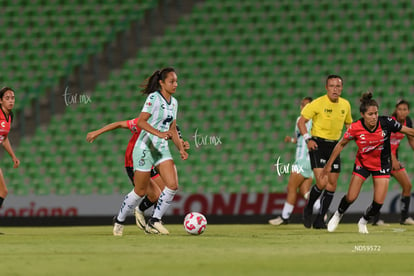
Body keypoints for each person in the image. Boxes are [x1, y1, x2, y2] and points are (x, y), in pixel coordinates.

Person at [112, 67, 188, 236]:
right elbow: (141, 122)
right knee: (139, 191)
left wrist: (181, 148)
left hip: (160, 149)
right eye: (172, 81)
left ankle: (155, 220)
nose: (176, 84)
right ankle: (119, 220)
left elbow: (173, 129)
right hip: (145, 147)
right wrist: (159, 133)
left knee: (173, 185)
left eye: (176, 81)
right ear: (162, 83)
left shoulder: (174, 103)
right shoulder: (153, 98)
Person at [326, 92, 414, 234]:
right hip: (363, 164)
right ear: (363, 114)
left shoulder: (386, 122)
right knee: (351, 197)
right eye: (370, 114)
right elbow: (341, 144)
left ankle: (363, 221)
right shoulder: (355, 127)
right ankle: (338, 214)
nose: (374, 117)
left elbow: (408, 131)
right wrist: (329, 163)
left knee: (378, 203)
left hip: (382, 165)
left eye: (376, 113)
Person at [86, 119, 189, 231]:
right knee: (149, 194)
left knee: (164, 191)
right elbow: (119, 124)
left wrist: (181, 143)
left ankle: (153, 222)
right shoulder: (142, 122)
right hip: (134, 162)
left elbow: (174, 131)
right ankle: (124, 218)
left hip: (151, 160)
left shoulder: (166, 121)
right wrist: (97, 132)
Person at [298, 75, 353, 229]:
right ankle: (308, 208)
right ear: (326, 88)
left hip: (335, 146)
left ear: (341, 88)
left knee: (332, 185)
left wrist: (355, 138)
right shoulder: (318, 103)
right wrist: (308, 139)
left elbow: (349, 124)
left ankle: (319, 219)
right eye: (332, 86)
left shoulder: (345, 105)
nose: (335, 89)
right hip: (318, 144)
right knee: (322, 182)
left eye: (338, 86)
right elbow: (301, 121)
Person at [269, 97, 320, 225]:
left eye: (306, 105)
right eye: (302, 105)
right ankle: (323, 210)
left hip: (303, 160)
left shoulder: (301, 120)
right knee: (305, 191)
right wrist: (291, 140)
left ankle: (285, 217)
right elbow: (301, 139)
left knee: (291, 187)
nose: (302, 107)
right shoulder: (317, 122)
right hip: (311, 161)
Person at [372, 99, 414, 226]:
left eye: (404, 109)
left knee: (407, 186)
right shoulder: (389, 122)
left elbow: (411, 140)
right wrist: (393, 160)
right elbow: (385, 142)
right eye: (399, 109)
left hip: (393, 159)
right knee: (380, 189)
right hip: (380, 158)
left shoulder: (408, 121)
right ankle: (376, 219)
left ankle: (404, 217)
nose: (402, 112)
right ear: (396, 110)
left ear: (408, 111)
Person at [0, 87, 20, 209]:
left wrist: (13, 156)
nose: (11, 101)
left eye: (12, 98)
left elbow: (4, 138)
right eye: (7, 98)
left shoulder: (9, 116)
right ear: (0, 101)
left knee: (3, 192)